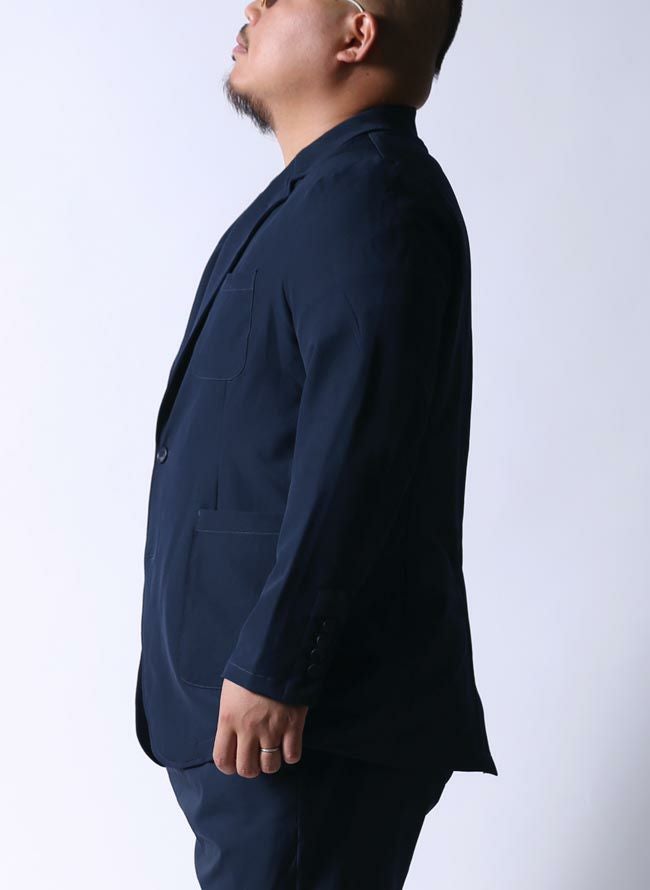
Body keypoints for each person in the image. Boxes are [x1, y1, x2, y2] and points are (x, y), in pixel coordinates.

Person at [135, 0, 498, 886]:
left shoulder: (372, 196)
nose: (252, 8)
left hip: (304, 719)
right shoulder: (326, 194)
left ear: (355, 34)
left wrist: (278, 661)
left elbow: (359, 445)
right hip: (263, 722)